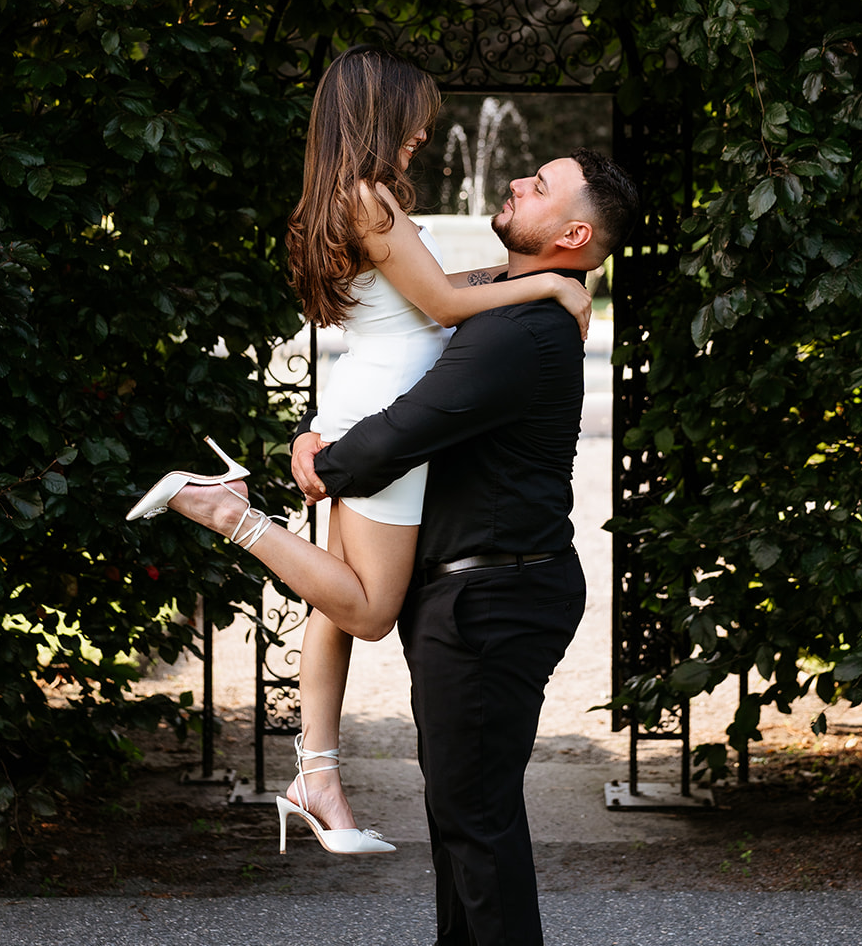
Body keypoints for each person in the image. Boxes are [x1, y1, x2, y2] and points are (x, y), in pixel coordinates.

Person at [137, 141, 640, 946]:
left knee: (475, 809)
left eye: (539, 185)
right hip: (472, 588)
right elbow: (447, 293)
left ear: (572, 234)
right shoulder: (519, 301)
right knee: (457, 795)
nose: (517, 181)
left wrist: (320, 459)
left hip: (495, 594)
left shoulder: (517, 334)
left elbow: (399, 438)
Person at [126, 45, 591, 854]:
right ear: (378, 116)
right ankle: (227, 512)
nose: (422, 135)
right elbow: (445, 304)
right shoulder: (372, 201)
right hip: (384, 415)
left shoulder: (347, 198)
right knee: (370, 609)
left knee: (333, 605)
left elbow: (432, 296)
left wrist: (528, 275)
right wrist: (551, 283)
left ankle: (317, 774)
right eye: (414, 121)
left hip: (359, 400)